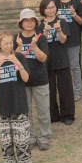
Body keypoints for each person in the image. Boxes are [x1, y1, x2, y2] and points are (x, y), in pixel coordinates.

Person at [0, 33, 32, 163]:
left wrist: (18, 64)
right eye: (6, 43)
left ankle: (24, 162)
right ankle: (9, 162)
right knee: (6, 137)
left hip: (19, 102)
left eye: (10, 43)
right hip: (3, 104)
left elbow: (26, 79)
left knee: (21, 136)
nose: (9, 45)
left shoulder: (19, 57)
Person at [15, 8, 52, 151]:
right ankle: (30, 137)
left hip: (40, 79)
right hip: (22, 81)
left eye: (32, 20)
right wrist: (19, 46)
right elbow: (13, 59)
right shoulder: (16, 38)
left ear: (36, 22)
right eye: (26, 20)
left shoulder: (41, 38)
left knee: (43, 110)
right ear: (21, 23)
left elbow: (43, 58)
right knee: (26, 111)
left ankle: (44, 138)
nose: (29, 23)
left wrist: (34, 45)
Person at [38, 0, 73, 126]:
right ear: (43, 10)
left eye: (53, 7)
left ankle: (67, 115)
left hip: (62, 59)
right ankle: (53, 115)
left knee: (65, 88)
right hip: (46, 61)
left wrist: (58, 29)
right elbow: (41, 43)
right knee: (50, 90)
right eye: (48, 8)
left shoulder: (62, 21)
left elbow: (63, 40)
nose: (51, 10)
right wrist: (46, 31)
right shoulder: (39, 25)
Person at [53, 0, 82, 101]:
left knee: (74, 66)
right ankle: (64, 91)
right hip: (59, 39)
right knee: (62, 67)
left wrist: (73, 14)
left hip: (73, 38)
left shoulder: (76, 2)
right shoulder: (55, 4)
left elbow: (81, 21)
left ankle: (77, 91)